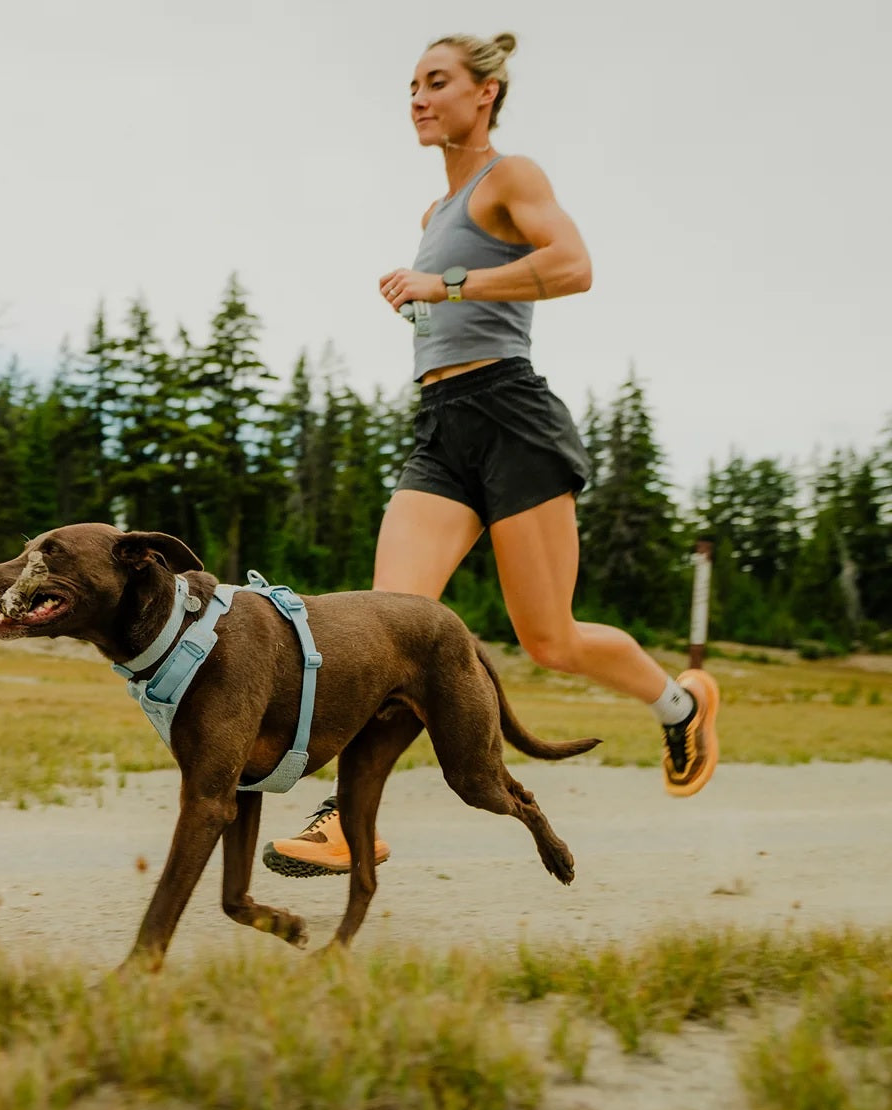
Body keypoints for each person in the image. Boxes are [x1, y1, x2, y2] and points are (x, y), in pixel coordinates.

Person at [262, 31, 720, 880]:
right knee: (389, 629)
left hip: (511, 417)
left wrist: (446, 286)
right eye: (411, 85)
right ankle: (347, 822)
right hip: (441, 427)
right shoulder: (433, 216)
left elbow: (574, 266)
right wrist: (424, 301)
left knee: (550, 639)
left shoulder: (512, 178)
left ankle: (680, 705)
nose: (418, 97)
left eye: (437, 81)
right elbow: (457, 302)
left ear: (486, 92)